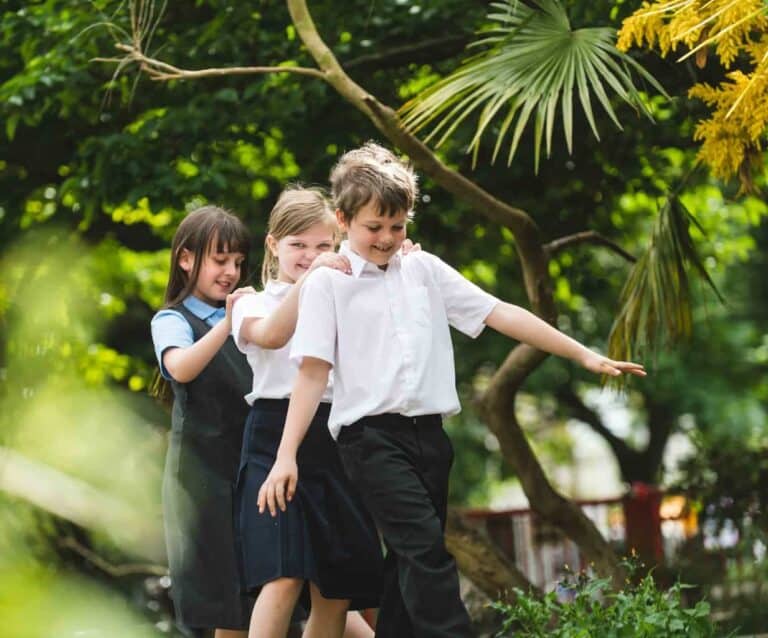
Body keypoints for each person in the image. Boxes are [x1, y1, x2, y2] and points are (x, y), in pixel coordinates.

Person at [257, 144, 647, 637]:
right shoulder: (325, 285)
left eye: (396, 227)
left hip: (430, 439)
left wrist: (584, 354)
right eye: (373, 228)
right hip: (368, 439)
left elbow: (499, 311)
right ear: (342, 220)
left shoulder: (424, 269)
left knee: (404, 567)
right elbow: (312, 373)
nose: (386, 239)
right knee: (426, 552)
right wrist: (286, 454)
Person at [231, 187, 384, 638]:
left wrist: (400, 257)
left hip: (338, 438)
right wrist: (313, 278)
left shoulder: (350, 295)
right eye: (298, 245)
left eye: (323, 245)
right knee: (282, 573)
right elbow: (272, 336)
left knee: (335, 588)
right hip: (272, 439)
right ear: (273, 245)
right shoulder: (249, 302)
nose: (311, 254)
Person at [150, 205, 255, 638]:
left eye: (237, 262)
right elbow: (180, 368)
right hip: (201, 481)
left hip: (251, 471)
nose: (231, 271)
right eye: (220, 259)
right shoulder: (173, 319)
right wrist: (228, 324)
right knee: (223, 603)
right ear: (186, 258)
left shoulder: (251, 316)